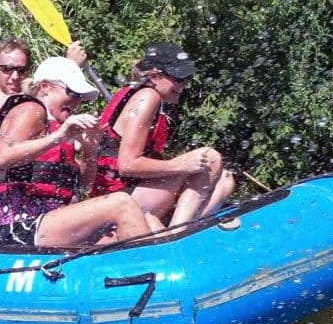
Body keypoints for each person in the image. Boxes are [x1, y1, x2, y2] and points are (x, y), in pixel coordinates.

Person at [0, 56, 151, 247]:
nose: (77, 102)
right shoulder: (30, 109)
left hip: (50, 224)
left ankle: (139, 273)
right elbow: (5, 157)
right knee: (122, 203)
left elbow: (85, 185)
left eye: (80, 97)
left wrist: (90, 149)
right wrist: (60, 136)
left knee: (148, 221)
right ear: (45, 86)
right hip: (19, 229)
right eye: (72, 93)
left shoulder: (56, 128)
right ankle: (149, 269)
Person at [0, 39, 88, 241]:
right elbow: (39, 103)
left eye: (21, 71)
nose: (14, 77)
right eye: (7, 69)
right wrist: (66, 69)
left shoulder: (27, 104)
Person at [90, 42, 234, 230]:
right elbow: (127, 165)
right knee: (210, 158)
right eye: (178, 79)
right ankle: (177, 231)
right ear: (155, 77)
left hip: (130, 192)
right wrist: (180, 165)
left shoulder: (137, 93)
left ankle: (183, 228)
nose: (183, 86)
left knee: (224, 180)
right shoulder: (148, 97)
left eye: (186, 79)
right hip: (121, 196)